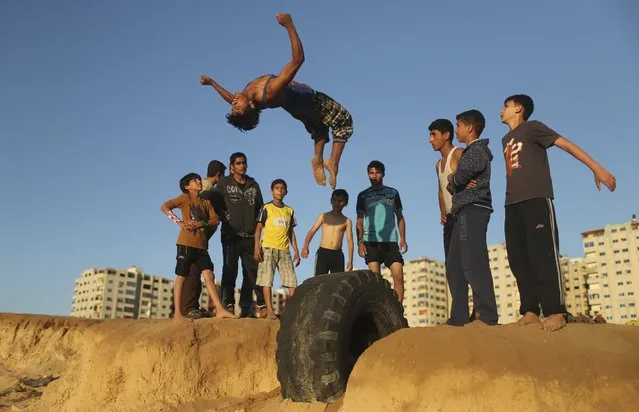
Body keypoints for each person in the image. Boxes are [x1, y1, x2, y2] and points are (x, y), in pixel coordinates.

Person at [500, 94, 616, 332]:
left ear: (518, 108)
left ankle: (555, 310)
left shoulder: (533, 128)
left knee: (543, 255)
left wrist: (596, 168)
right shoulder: (506, 139)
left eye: (506, 106)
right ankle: (531, 310)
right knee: (518, 259)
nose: (501, 109)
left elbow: (566, 144)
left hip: (536, 200)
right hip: (512, 204)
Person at [200, 13, 353, 190]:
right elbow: (298, 60)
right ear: (250, 106)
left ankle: (318, 158)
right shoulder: (269, 91)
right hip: (311, 100)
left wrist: (212, 83)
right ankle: (333, 162)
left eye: (233, 107)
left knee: (319, 130)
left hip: (299, 110)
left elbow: (230, 99)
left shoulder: (245, 97)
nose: (233, 104)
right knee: (344, 122)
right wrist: (289, 25)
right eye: (237, 108)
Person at [445, 110, 498, 327]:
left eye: (458, 125)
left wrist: (455, 178)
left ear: (469, 127)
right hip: (462, 211)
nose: (456, 130)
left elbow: (457, 178)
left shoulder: (477, 151)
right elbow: (454, 183)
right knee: (454, 265)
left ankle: (486, 316)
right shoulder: (470, 153)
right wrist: (455, 180)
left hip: (473, 209)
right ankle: (458, 317)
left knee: (473, 262)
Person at [160, 172, 235, 321]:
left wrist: (201, 223)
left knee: (209, 276)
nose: (198, 181)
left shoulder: (206, 203)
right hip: (185, 243)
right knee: (181, 276)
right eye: (194, 181)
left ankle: (220, 310)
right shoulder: (184, 198)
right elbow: (165, 207)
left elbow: (215, 220)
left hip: (202, 246)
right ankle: (177, 314)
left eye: (198, 179)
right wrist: (179, 222)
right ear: (187, 186)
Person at [212, 153, 266, 318]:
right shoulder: (223, 184)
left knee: (252, 272)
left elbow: (261, 210)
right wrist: (224, 216)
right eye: (238, 163)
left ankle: (247, 307)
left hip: (250, 236)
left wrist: (259, 235)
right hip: (230, 235)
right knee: (230, 269)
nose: (242, 166)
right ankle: (227, 304)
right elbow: (213, 202)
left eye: (244, 163)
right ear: (232, 167)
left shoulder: (253, 185)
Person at [180, 160, 227, 319]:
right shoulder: (208, 192)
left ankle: (192, 307)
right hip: (196, 237)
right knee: (192, 271)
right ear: (219, 175)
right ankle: (187, 308)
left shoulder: (206, 190)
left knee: (199, 271)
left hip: (199, 236)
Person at [356, 161, 407, 302]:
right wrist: (360, 242)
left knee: (399, 277)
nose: (374, 176)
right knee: (376, 283)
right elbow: (359, 220)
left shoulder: (393, 193)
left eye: (377, 173)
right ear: (368, 175)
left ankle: (398, 313)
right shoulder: (362, 195)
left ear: (383, 174)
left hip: (390, 241)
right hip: (371, 242)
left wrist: (403, 238)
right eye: (371, 173)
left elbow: (400, 217)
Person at [254, 179, 300, 320]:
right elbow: (258, 228)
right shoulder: (266, 207)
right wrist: (256, 247)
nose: (280, 190)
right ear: (271, 191)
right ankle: (270, 311)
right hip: (268, 249)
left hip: (284, 250)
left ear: (286, 191)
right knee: (267, 281)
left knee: (292, 283)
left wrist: (296, 251)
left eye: (282, 188)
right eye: (277, 188)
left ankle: (289, 311)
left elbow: (291, 232)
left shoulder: (289, 211)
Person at [428, 119, 463, 258]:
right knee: (450, 262)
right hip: (449, 218)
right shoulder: (438, 164)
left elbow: (474, 170)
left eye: (433, 135)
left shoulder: (458, 153)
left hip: (462, 214)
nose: (430, 140)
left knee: (466, 261)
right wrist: (442, 210)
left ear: (446, 135)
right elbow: (441, 191)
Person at [301, 189, 354, 275]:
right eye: (335, 200)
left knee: (337, 283)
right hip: (323, 253)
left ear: (345, 203)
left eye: (340, 201)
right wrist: (305, 246)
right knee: (319, 281)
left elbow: (350, 240)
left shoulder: (347, 221)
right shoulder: (323, 216)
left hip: (338, 254)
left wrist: (351, 259)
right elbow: (312, 231)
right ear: (331, 200)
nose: (337, 203)